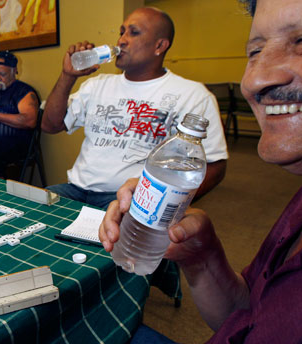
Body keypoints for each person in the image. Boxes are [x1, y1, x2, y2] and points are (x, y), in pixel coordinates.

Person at [99, 0, 302, 344]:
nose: (253, 79)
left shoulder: (191, 96)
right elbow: (247, 320)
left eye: (301, 42)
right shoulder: (295, 208)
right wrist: (203, 257)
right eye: (255, 51)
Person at [42, 7, 228, 209]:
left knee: (104, 238)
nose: (121, 40)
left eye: (134, 32)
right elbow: (50, 125)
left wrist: (163, 203)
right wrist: (68, 76)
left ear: (160, 46)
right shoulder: (97, 85)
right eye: (121, 32)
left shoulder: (192, 95)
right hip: (75, 190)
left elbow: (215, 166)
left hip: (131, 197)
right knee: (26, 211)